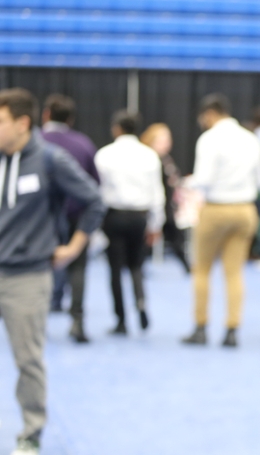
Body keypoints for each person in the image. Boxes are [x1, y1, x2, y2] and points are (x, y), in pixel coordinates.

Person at [0, 88, 105, 455]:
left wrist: (75, 245)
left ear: (22, 123)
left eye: (0, 122)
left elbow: (94, 200)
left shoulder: (49, 160)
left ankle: (31, 433)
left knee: (27, 359)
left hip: (26, 277)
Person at [182, 94, 260, 348]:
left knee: (202, 270)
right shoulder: (251, 138)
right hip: (245, 210)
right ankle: (232, 329)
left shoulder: (209, 139)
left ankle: (200, 327)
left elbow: (204, 179)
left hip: (216, 209)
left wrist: (188, 182)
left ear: (209, 114)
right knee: (234, 273)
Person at [94, 110, 165, 335]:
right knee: (136, 265)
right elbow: (157, 193)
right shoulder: (149, 155)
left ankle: (121, 320)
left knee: (115, 269)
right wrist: (156, 225)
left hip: (114, 217)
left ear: (116, 129)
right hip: (139, 217)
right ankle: (141, 304)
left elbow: (97, 190)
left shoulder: (104, 155)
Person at [40, 93, 101, 343]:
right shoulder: (84, 144)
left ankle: (37, 321)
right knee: (78, 267)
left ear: (46, 115)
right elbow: (94, 186)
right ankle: (77, 321)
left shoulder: (35, 143)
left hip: (43, 220)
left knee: (40, 267)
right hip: (77, 216)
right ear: (71, 119)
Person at [141, 123, 190, 273]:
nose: (167, 143)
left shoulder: (166, 159)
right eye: (162, 140)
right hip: (153, 206)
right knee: (148, 239)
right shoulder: (149, 159)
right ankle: (136, 267)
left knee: (175, 237)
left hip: (167, 206)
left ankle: (187, 267)